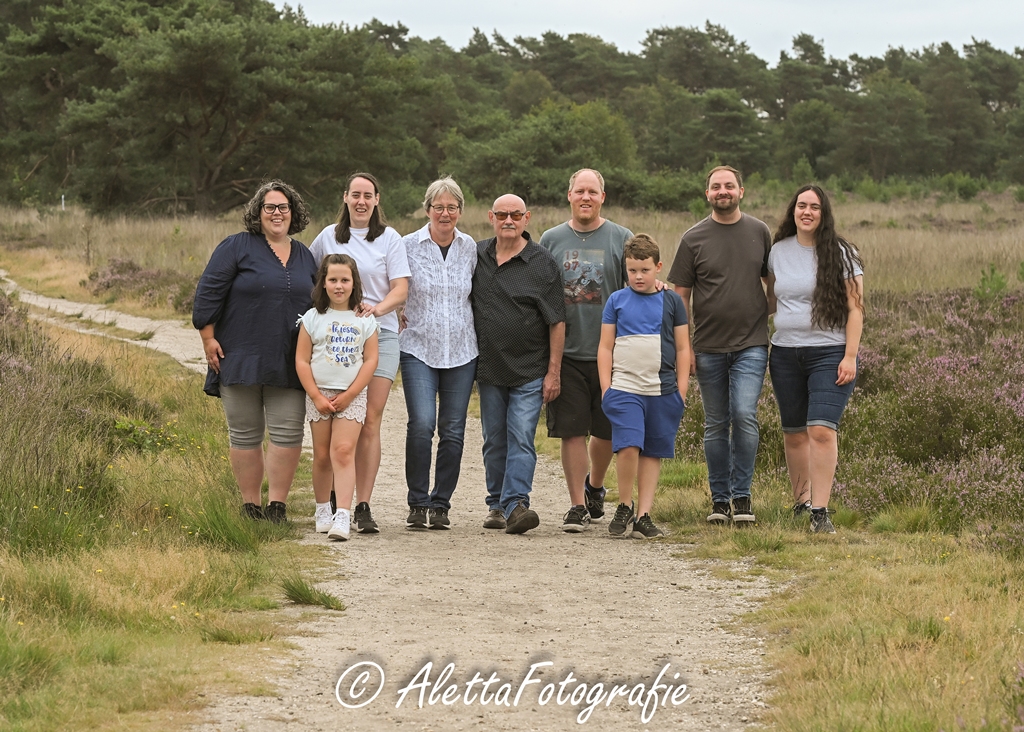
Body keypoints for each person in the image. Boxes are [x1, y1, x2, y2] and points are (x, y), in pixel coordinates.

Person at [193, 180, 318, 523]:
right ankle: (250, 507)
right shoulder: (236, 246)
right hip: (239, 356)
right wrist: (207, 338)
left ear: (293, 212)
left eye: (283, 207)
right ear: (258, 212)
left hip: (290, 360)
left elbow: (320, 304)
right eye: (270, 207)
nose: (277, 213)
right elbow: (208, 292)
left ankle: (277, 506)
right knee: (245, 433)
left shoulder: (305, 255)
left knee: (287, 433)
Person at [668, 165, 771, 526]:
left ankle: (742, 497)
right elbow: (680, 297)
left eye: (729, 185)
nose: (722, 191)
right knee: (715, 423)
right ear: (707, 194)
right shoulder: (692, 238)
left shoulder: (760, 231)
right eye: (716, 186)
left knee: (744, 414)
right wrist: (684, 348)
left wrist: (770, 312)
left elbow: (773, 281)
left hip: (752, 344)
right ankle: (719, 500)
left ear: (741, 191)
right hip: (707, 347)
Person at [309, 173, 410, 533]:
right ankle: (335, 499)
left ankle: (362, 504)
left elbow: (401, 288)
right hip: (334, 339)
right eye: (356, 195)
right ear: (346, 197)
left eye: (368, 195)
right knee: (333, 414)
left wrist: (376, 309)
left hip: (379, 335)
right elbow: (311, 277)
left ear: (377, 199)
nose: (361, 201)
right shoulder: (327, 237)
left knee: (369, 418)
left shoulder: (390, 238)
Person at [538, 168, 633, 533]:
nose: (586, 198)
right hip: (566, 353)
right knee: (572, 431)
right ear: (570, 195)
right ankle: (577, 504)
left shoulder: (621, 237)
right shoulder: (551, 239)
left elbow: (636, 286)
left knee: (606, 431)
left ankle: (595, 485)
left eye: (593, 192)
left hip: (611, 354)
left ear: (602, 197)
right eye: (580, 191)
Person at [767, 185, 864, 534]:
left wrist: (850, 356)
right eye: (801, 205)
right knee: (794, 433)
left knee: (821, 430)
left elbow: (856, 308)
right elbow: (770, 299)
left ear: (824, 214)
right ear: (793, 210)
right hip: (784, 353)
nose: (806, 212)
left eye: (814, 207)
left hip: (830, 352)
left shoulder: (842, 253)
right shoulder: (777, 251)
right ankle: (801, 503)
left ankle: (820, 513)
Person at [472, 194, 565, 534]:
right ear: (491, 217)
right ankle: (496, 505)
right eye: (502, 215)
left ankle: (516, 505)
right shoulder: (476, 255)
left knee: (522, 436)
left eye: (515, 214)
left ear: (527, 218)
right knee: (494, 439)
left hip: (530, 369)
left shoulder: (542, 263)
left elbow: (557, 321)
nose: (508, 220)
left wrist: (553, 372)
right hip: (489, 368)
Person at [598, 235, 689, 539]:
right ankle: (625, 504)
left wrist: (681, 390)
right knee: (628, 445)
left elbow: (683, 348)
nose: (638, 276)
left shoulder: (672, 301)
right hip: (624, 388)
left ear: (658, 267)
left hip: (662, 390)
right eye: (632, 270)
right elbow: (605, 347)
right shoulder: (616, 300)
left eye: (645, 270)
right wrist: (607, 388)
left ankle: (643, 516)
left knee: (652, 452)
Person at [399, 177, 477, 530]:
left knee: (453, 430)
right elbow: (391, 284)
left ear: (460, 210)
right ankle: (417, 502)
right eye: (438, 207)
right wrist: (393, 311)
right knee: (421, 424)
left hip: (462, 350)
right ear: (427, 209)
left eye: (452, 207)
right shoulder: (407, 245)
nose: (445, 214)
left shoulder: (470, 247)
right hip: (418, 347)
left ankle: (441, 503)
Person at [295, 254, 380, 541]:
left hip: (351, 395)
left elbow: (371, 360)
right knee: (321, 455)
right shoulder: (312, 318)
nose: (339, 286)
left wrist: (351, 394)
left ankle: (342, 513)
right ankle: (323, 509)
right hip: (319, 395)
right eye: (333, 280)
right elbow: (302, 360)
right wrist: (315, 395)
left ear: (354, 283)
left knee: (342, 451)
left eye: (345, 280)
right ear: (323, 282)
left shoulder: (365, 320)